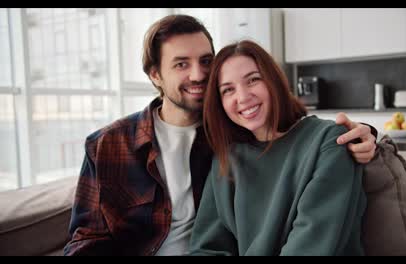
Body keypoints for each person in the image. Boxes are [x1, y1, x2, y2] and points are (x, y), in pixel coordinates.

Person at [64, 14, 376, 256]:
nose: (198, 74)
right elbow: (86, 240)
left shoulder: (223, 138)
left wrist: (371, 138)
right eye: (181, 64)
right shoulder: (109, 144)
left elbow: (303, 138)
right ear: (155, 75)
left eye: (205, 62)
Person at [189, 40, 367, 256]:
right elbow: (207, 248)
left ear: (273, 80)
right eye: (228, 90)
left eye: (253, 80)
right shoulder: (226, 160)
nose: (243, 97)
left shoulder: (328, 141)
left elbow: (312, 244)